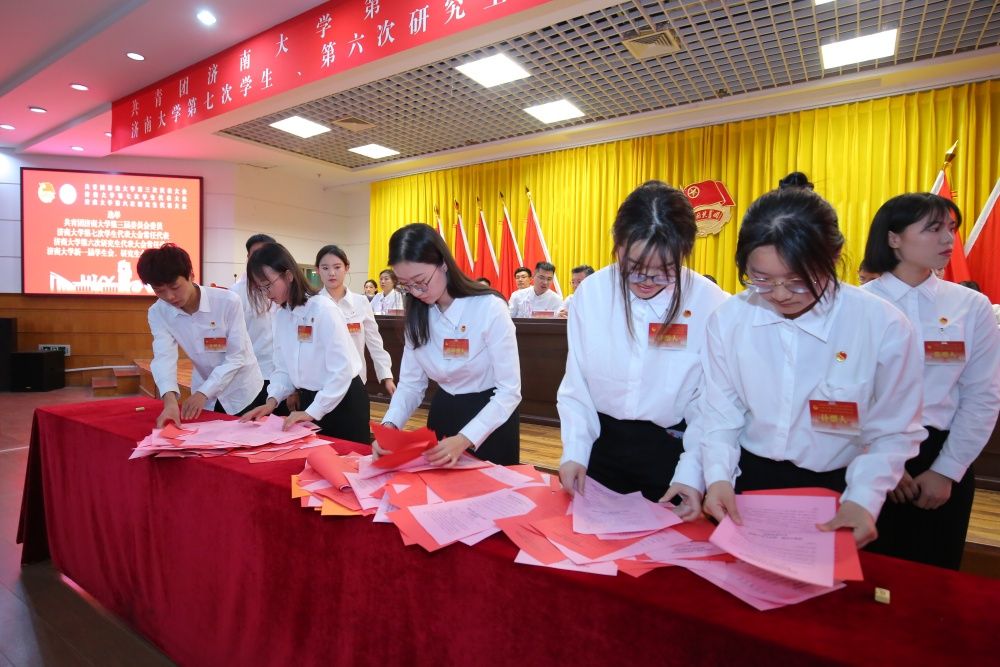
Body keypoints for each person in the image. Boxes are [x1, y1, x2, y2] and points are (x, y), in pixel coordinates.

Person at [699, 188, 926, 547]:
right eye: (761, 278)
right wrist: (717, 477)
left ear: (833, 256)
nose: (780, 294)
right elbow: (720, 413)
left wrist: (863, 500)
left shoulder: (882, 325)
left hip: (840, 487)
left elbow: (892, 430)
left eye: (798, 280)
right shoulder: (729, 320)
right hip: (748, 478)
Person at [557, 182, 727, 517]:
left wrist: (693, 473)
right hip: (601, 446)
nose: (647, 281)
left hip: (672, 452)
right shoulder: (592, 293)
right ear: (617, 244)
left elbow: (709, 402)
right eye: (633, 269)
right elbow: (577, 383)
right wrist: (575, 449)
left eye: (664, 272)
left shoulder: (709, 302)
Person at [862, 193, 1000, 569]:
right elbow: (841, 394)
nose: (948, 239)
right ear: (894, 238)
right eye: (934, 228)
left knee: (935, 578)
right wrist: (877, 462)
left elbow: (983, 396)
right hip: (866, 456)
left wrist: (946, 470)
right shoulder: (856, 305)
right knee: (866, 579)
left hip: (941, 456)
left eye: (951, 229)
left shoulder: (971, 307)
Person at [375, 223, 521, 466]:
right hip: (443, 413)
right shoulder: (417, 315)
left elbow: (509, 390)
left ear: (443, 264)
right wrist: (389, 426)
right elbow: (411, 384)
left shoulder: (489, 307)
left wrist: (465, 438)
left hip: (490, 419)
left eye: (420, 280)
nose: (416, 292)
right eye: (406, 285)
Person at [239, 243, 369, 442]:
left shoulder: (322, 309)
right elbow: (283, 367)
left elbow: (341, 370)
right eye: (261, 288)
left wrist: (313, 411)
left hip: (342, 399)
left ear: (288, 275)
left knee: (347, 458)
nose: (266, 293)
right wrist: (271, 401)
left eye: (268, 285)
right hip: (310, 400)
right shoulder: (282, 315)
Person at [137, 243, 265, 428]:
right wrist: (170, 401)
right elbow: (164, 358)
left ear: (191, 275)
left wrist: (204, 392)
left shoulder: (227, 302)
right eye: (160, 291)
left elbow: (237, 357)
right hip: (205, 392)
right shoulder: (158, 312)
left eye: (175, 287)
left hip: (243, 391)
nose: (170, 296)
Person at [315, 244, 396, 396]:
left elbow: (375, 342)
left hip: (355, 381)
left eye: (337, 267)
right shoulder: (312, 304)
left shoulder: (361, 302)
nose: (331, 273)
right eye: (325, 268)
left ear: (346, 268)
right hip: (321, 383)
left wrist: (386, 376)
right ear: (318, 270)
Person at [232, 233, 293, 416]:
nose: (259, 262)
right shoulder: (235, 295)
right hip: (253, 376)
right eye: (255, 256)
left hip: (283, 377)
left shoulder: (290, 296)